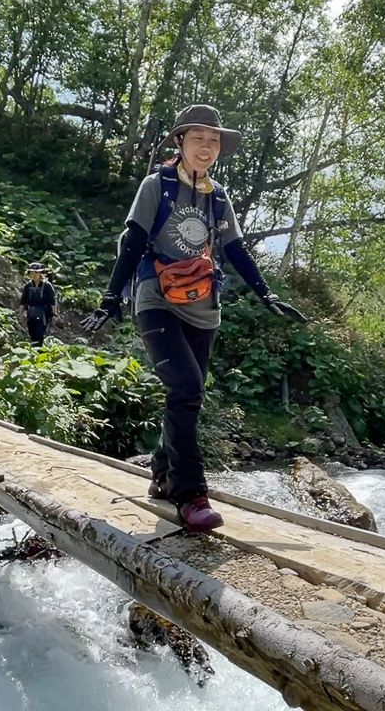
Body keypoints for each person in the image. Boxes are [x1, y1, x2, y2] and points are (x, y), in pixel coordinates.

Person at [82, 104, 306, 532]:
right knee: (186, 388)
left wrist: (266, 293)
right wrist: (111, 299)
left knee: (188, 394)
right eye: (198, 138)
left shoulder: (217, 196)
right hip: (156, 300)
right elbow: (133, 241)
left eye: (214, 140)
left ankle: (163, 475)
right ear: (180, 142)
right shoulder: (157, 185)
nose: (207, 146)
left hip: (203, 308)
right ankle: (191, 494)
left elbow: (236, 250)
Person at [19, 262, 58, 346]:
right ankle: (34, 353)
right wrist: (20, 314)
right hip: (31, 314)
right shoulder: (28, 286)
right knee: (32, 335)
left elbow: (52, 301)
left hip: (44, 314)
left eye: (35, 272)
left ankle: (39, 352)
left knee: (39, 335)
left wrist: (55, 314)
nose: (33, 274)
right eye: (31, 272)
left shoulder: (47, 286)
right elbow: (23, 301)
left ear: (40, 273)